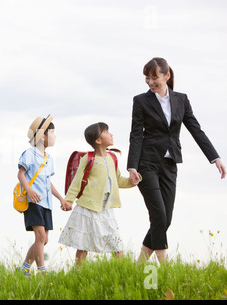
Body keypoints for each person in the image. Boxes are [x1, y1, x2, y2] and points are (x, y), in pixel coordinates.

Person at [127, 57, 226, 263]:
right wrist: (132, 166)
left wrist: (215, 157)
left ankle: (139, 265)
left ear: (167, 75)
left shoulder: (182, 99)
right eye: (147, 78)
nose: (150, 82)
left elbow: (195, 129)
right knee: (158, 215)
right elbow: (136, 134)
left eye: (155, 77)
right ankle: (165, 267)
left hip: (170, 163)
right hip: (147, 163)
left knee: (166, 219)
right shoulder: (141, 101)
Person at [59, 122, 135, 266]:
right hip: (88, 208)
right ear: (98, 141)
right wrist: (68, 200)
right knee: (83, 245)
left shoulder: (112, 158)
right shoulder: (88, 159)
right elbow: (76, 182)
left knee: (117, 244)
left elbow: (118, 181)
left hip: (106, 209)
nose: (111, 134)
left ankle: (121, 272)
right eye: (106, 132)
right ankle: (78, 273)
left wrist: (133, 182)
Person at [17, 114, 71, 275]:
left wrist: (61, 198)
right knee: (40, 236)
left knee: (44, 240)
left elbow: (48, 183)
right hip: (33, 201)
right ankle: (42, 272)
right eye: (52, 133)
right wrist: (29, 190)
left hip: (46, 202)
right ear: (42, 136)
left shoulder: (49, 158)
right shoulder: (29, 153)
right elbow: (21, 174)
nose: (55, 137)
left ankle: (24, 270)